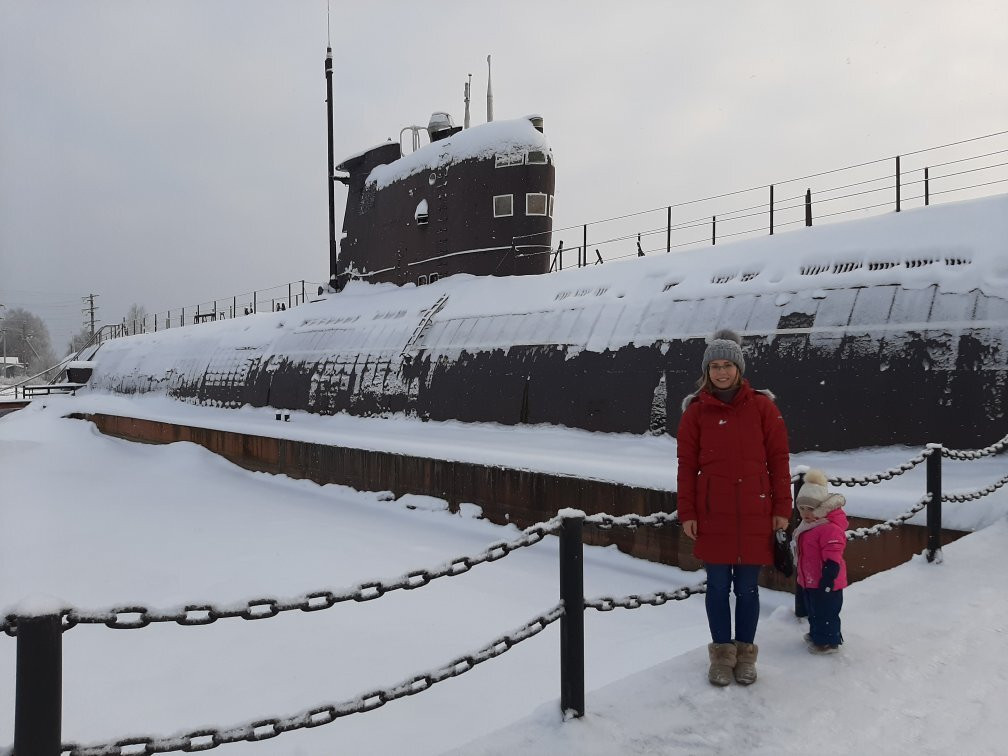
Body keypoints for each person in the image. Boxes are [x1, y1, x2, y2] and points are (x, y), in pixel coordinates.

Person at [676, 329, 792, 685]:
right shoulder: (696, 412)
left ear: (739, 368)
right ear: (706, 371)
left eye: (727, 365)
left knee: (747, 589)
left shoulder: (762, 407)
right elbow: (686, 466)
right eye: (715, 366)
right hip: (714, 513)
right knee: (716, 588)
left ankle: (745, 655)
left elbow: (778, 459)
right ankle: (721, 655)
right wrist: (688, 512)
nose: (721, 372)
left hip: (756, 510)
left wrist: (783, 507)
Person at [793, 468, 848, 654]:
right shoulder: (809, 525)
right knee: (814, 610)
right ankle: (817, 634)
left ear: (822, 509)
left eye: (811, 509)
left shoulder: (829, 529)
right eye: (802, 509)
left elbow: (833, 555)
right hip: (810, 579)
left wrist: (829, 577)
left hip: (826, 580)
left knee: (827, 612)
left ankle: (828, 641)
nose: (806, 514)